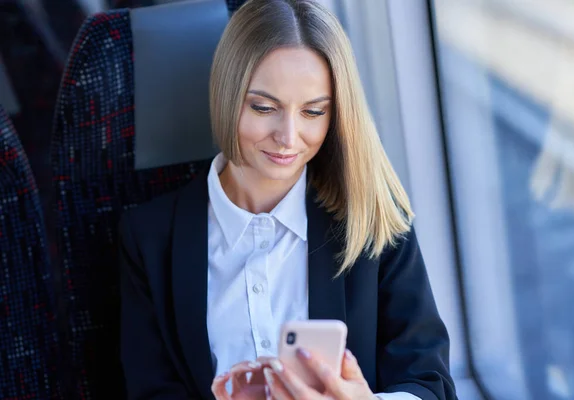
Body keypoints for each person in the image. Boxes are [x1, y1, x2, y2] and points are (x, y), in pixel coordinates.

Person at [118, 0, 456, 399]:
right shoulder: (150, 239)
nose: (289, 137)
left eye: (313, 112)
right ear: (227, 96)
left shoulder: (372, 219)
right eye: (264, 107)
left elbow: (429, 382)